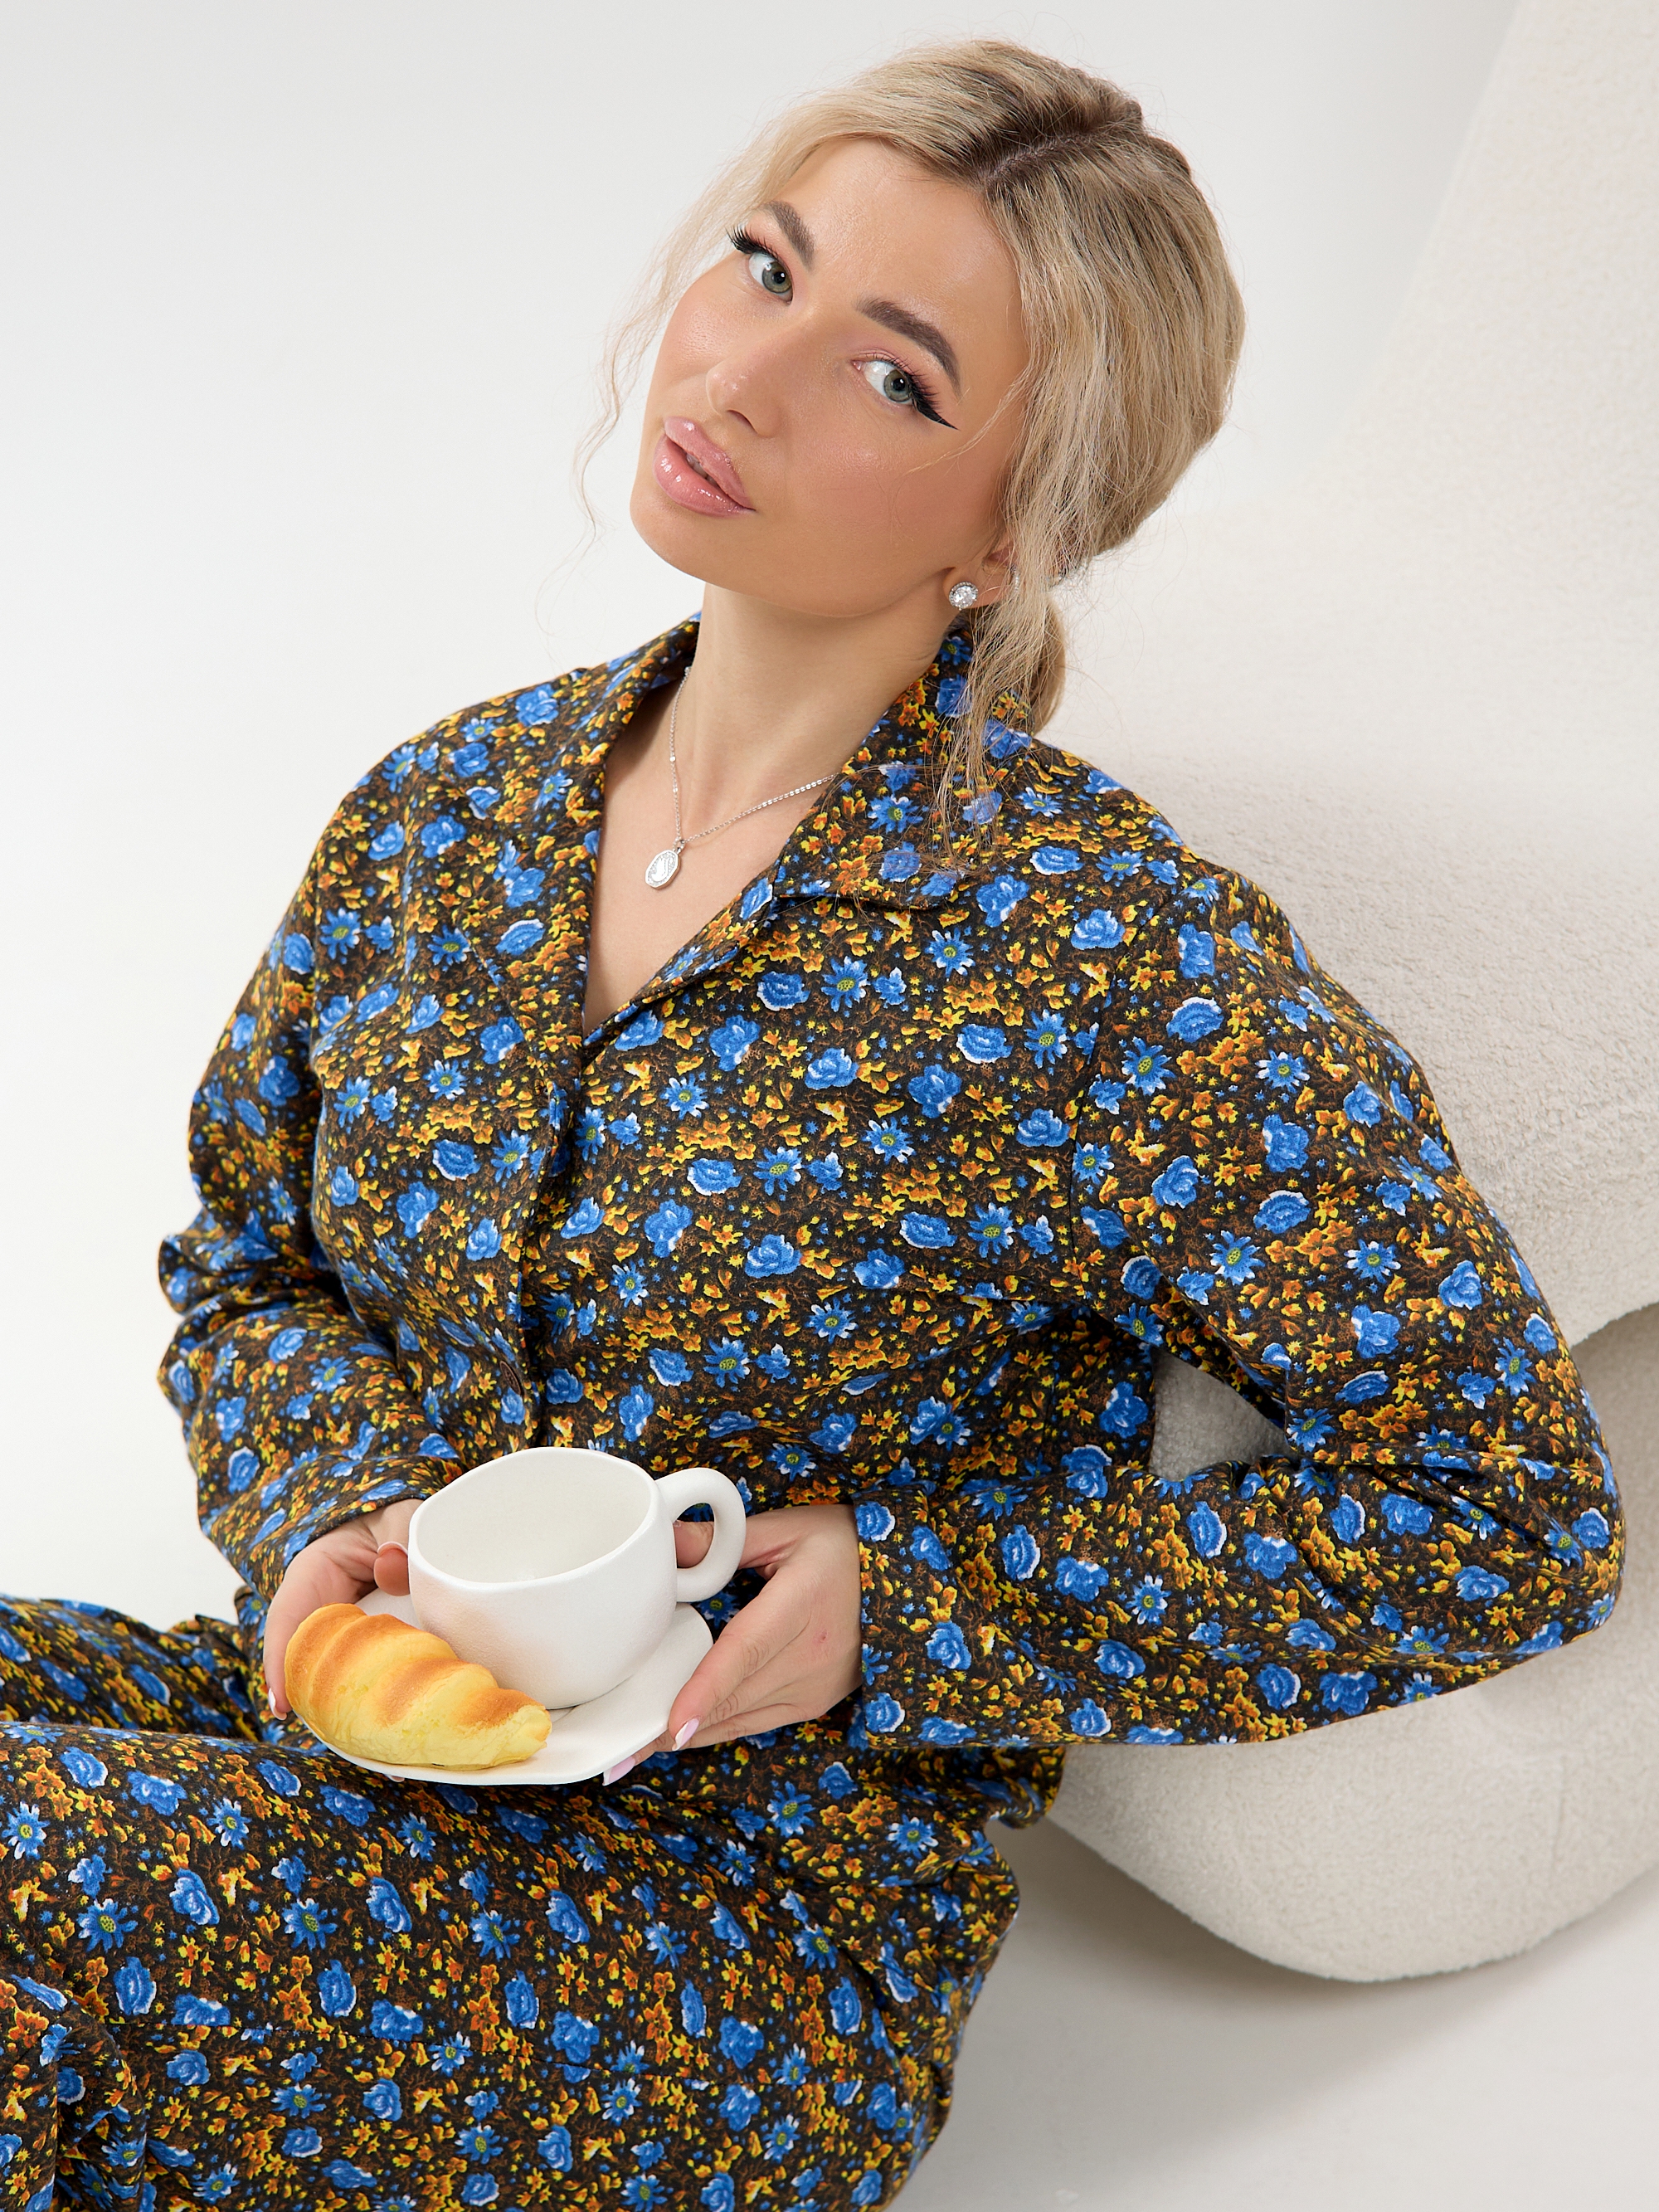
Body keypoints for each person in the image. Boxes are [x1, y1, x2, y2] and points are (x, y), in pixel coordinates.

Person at [0, 37, 1622, 2212]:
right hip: (352, 1742)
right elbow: (247, 1256)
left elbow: (1502, 1509)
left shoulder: (1104, 967)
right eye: (765, 266)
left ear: (1017, 525)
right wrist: (338, 1512)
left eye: (892, 375)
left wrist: (918, 1601)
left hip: (733, 1924)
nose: (742, 374)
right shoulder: (443, 814)